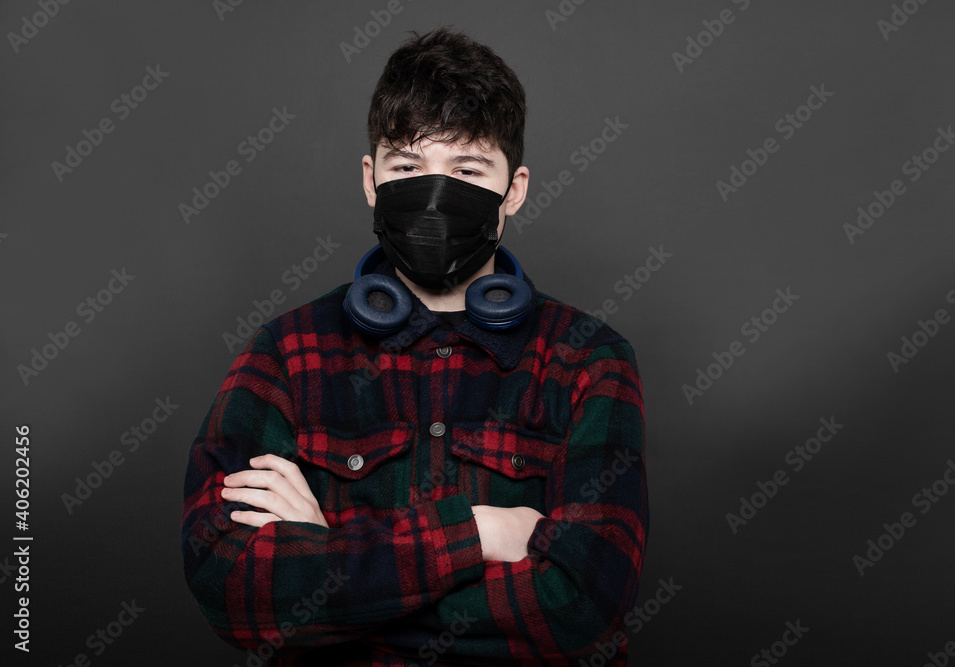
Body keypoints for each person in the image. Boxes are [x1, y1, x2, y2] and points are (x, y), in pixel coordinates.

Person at [181, 26, 648, 666]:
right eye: (408, 166)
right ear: (372, 181)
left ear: (514, 190)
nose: (434, 194)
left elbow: (588, 604)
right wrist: (481, 533)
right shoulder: (287, 352)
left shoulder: (589, 359)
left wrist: (333, 561)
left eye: (468, 168)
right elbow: (227, 585)